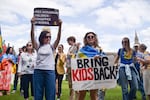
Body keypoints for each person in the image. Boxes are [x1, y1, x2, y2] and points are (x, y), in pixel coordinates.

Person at [31, 17, 62, 100]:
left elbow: (58, 38)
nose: (48, 38)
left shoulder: (52, 47)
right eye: (46, 37)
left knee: (50, 93)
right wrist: (32, 25)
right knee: (38, 92)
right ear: (42, 37)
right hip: (38, 71)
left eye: (49, 37)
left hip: (50, 71)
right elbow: (32, 37)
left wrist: (60, 26)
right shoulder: (38, 46)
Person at [77, 32, 104, 100]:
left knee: (93, 95)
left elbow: (105, 60)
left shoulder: (99, 49)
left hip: (95, 74)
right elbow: (79, 59)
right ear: (86, 39)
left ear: (95, 38)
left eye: (92, 36)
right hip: (84, 74)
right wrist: (92, 59)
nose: (90, 38)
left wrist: (100, 57)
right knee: (81, 94)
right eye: (88, 37)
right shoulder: (82, 50)